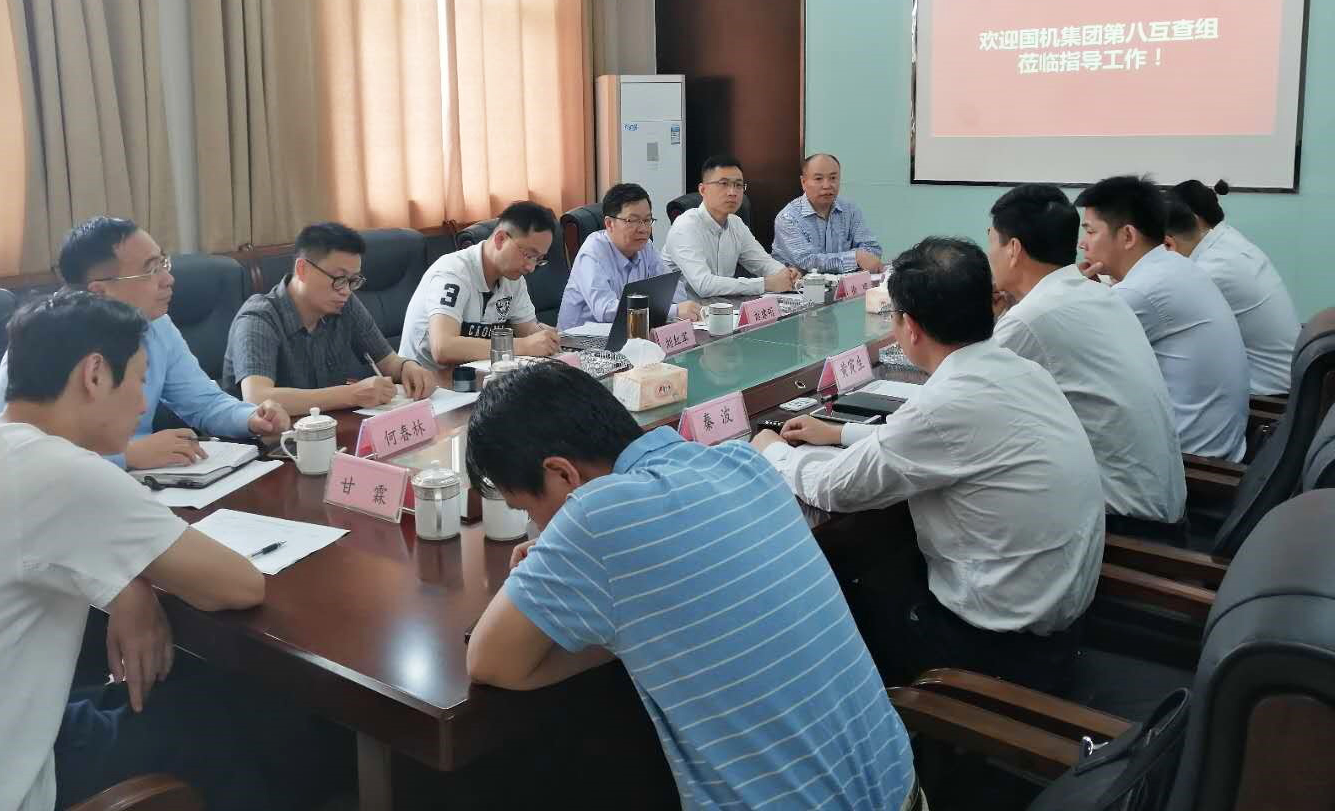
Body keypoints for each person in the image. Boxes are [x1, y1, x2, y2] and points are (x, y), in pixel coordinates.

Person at [0, 292, 306, 810]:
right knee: (217, 723)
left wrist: (127, 585)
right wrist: (130, 580)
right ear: (94, 375)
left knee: (172, 696)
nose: (143, 404)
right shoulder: (59, 473)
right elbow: (239, 586)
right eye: (138, 379)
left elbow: (14, 547)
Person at [464, 363, 921, 811]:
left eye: (528, 509)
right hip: (904, 788)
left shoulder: (594, 519)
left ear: (563, 475)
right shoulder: (741, 461)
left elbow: (490, 660)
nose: (537, 526)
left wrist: (591, 586)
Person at [752, 237, 1105, 693]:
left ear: (911, 327)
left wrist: (770, 450)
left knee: (839, 595)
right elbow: (948, 442)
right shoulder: (1018, 370)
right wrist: (841, 432)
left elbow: (834, 488)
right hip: (1062, 624)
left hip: (999, 649)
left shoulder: (946, 404)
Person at [0, 217, 290, 470]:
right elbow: (14, 453)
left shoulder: (156, 325)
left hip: (153, 481)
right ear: (99, 291)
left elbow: (204, 402)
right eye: (150, 270)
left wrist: (251, 418)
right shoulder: (42, 338)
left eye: (163, 263)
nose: (168, 279)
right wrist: (127, 456)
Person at [987, 185, 1186, 541]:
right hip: (1159, 505)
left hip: (1123, 523)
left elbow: (965, 399)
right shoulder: (1096, 294)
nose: (990, 255)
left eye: (992, 241)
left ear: (1013, 249)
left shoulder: (1032, 318)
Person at [1075, 176, 1249, 462]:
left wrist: (1069, 295)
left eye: (1091, 232)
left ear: (1128, 236)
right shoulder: (1173, 264)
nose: (1083, 244)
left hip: (1190, 463)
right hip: (1220, 445)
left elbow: (1071, 358)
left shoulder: (1140, 291)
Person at [223, 221, 437, 413]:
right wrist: (351, 394)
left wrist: (408, 367)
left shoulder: (345, 303)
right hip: (268, 441)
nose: (346, 290)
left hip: (328, 431)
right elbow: (257, 398)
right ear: (302, 269)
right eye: (339, 278)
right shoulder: (259, 318)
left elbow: (387, 361)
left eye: (353, 280)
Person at [1165, 179, 1300, 395]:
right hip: (1287, 376)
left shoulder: (1215, 267)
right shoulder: (1227, 239)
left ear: (1195, 221)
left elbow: (1159, 318)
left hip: (1269, 393)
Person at [400, 201, 562, 369]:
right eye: (528, 255)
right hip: (427, 379)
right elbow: (443, 348)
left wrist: (542, 336)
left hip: (477, 373)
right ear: (500, 239)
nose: (531, 267)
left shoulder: (513, 278)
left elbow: (526, 330)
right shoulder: (453, 273)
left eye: (538, 259)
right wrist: (523, 346)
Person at [557, 183, 702, 330]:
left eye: (647, 220)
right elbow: (606, 310)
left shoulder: (645, 246)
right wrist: (672, 310)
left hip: (628, 331)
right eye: (632, 221)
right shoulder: (592, 253)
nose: (643, 229)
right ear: (609, 223)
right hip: (579, 338)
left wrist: (681, 308)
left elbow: (673, 288)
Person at [662, 154, 800, 299]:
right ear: (703, 190)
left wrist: (786, 274)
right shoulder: (685, 227)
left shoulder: (736, 224)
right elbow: (704, 285)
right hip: (682, 309)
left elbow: (763, 263)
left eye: (738, 185)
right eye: (723, 184)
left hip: (722, 306)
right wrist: (765, 284)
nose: (732, 192)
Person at [772, 153, 883, 273]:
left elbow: (872, 249)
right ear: (803, 182)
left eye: (833, 178)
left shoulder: (850, 210)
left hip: (845, 283)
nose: (827, 185)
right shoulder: (788, 217)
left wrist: (862, 257)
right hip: (799, 284)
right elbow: (807, 261)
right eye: (818, 179)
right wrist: (856, 257)